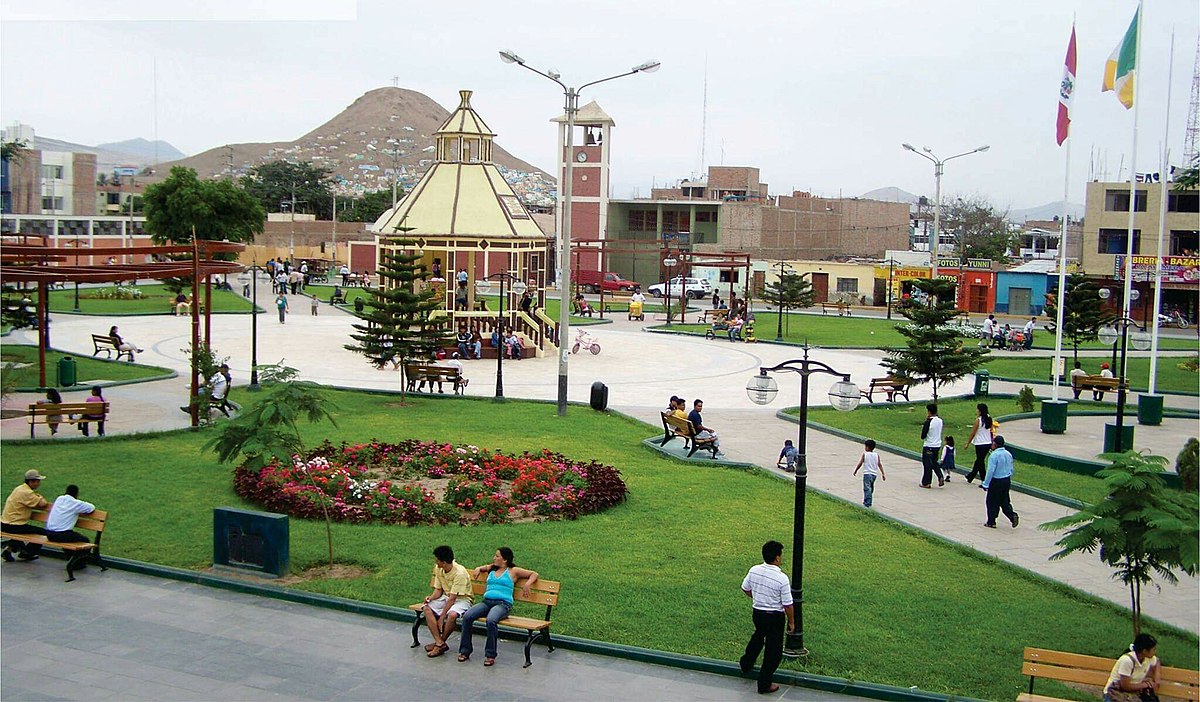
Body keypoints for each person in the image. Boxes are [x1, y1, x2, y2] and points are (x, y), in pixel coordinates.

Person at [458, 547, 539, 666]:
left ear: (505, 559)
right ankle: (465, 651)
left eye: (497, 556)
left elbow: (534, 574)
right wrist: (477, 569)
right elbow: (482, 568)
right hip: (487, 602)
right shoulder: (491, 568)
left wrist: (527, 584)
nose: (494, 558)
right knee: (467, 616)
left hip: (503, 604)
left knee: (491, 620)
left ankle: (490, 655)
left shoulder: (513, 571)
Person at [739, 540, 795, 695]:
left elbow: (745, 588)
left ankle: (746, 663)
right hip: (774, 617)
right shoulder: (782, 578)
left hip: (757, 612)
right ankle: (764, 684)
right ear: (777, 558)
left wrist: (757, 597)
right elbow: (788, 605)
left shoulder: (754, 570)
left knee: (758, 636)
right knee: (773, 650)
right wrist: (791, 622)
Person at [421, 545, 473, 658]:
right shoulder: (438, 569)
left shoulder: (460, 573)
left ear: (444, 562)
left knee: (452, 615)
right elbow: (439, 590)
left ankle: (439, 645)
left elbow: (453, 598)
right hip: (446, 597)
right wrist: (430, 598)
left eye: (437, 560)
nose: (435, 562)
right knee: (426, 607)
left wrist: (441, 617)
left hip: (462, 600)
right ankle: (439, 642)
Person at [1, 470, 50, 561]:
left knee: (21, 532)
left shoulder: (19, 488)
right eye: (37, 481)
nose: (39, 484)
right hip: (14, 525)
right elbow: (43, 504)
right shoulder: (27, 493)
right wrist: (39, 496)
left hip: (4, 524)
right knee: (43, 533)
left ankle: (9, 550)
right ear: (31, 482)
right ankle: (27, 553)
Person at [1104, 633, 1161, 702]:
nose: (1155, 652)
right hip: (1115, 694)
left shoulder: (1148, 658)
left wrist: (1157, 681)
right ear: (1144, 651)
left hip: (1131, 695)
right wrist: (1146, 685)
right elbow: (1125, 686)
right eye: (1154, 649)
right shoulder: (1127, 660)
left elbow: (1157, 661)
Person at [981, 435, 1019, 528]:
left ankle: (991, 521)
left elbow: (990, 471)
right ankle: (1012, 515)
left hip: (996, 481)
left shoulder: (994, 456)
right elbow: (1011, 467)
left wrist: (986, 484)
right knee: (1004, 500)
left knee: (991, 501)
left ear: (995, 444)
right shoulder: (1008, 454)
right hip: (1006, 480)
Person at [965, 403, 994, 484]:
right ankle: (971, 476)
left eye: (977, 409)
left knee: (980, 461)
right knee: (979, 460)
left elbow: (973, 433)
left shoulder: (978, 420)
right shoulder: (989, 419)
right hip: (987, 442)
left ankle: (984, 480)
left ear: (980, 411)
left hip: (980, 443)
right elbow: (991, 431)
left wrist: (968, 442)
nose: (976, 411)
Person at [852, 439, 886, 507]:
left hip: (867, 473)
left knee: (867, 488)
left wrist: (856, 470)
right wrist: (883, 473)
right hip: (874, 475)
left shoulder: (865, 454)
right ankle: (867, 500)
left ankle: (867, 503)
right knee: (871, 488)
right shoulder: (876, 455)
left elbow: (860, 463)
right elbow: (879, 464)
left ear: (867, 447)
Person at [919, 403, 944, 488]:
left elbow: (923, 436)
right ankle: (940, 476)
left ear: (929, 412)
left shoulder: (928, 422)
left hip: (929, 445)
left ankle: (926, 482)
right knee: (934, 462)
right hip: (937, 445)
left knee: (927, 464)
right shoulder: (940, 421)